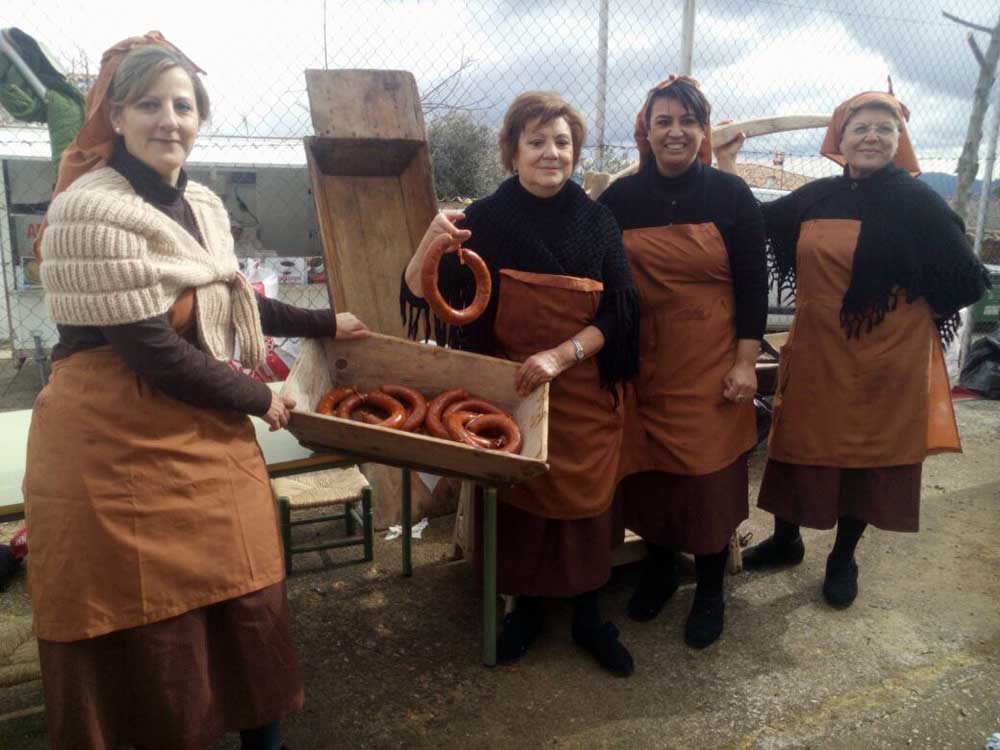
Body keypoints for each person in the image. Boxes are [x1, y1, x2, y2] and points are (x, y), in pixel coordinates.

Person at [25, 36, 369, 749]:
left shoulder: (205, 204)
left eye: (183, 105)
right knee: (148, 616)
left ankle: (260, 737)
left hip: (201, 424)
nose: (168, 119)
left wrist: (326, 319)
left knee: (247, 590)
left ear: (201, 117)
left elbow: (232, 298)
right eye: (149, 104)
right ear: (116, 116)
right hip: (112, 436)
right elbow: (151, 350)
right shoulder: (89, 211)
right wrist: (261, 399)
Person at [715, 89, 990, 607]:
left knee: (864, 460)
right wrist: (727, 160)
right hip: (817, 351)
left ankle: (843, 558)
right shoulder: (818, 195)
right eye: (860, 127)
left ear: (899, 140)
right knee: (796, 444)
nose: (872, 137)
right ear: (838, 138)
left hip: (884, 362)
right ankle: (787, 540)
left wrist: (912, 314)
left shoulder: (918, 202)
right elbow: (754, 223)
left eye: (885, 129)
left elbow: (970, 280)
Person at [401, 91, 640, 676]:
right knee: (519, 503)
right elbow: (416, 293)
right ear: (512, 151)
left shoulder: (598, 221)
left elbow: (623, 314)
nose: (551, 153)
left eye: (562, 142)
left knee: (583, 503)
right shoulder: (482, 219)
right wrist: (429, 243)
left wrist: (562, 356)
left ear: (575, 152)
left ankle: (588, 615)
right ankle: (526, 610)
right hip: (506, 391)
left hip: (581, 390)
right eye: (536, 141)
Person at [597, 76, 767, 648]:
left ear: (702, 131)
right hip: (643, 361)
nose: (676, 132)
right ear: (646, 130)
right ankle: (662, 566)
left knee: (707, 480)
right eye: (663, 121)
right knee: (650, 474)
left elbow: (753, 286)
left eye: (687, 122)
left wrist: (745, 364)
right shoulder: (620, 200)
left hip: (713, 361)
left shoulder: (731, 196)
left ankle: (712, 587)